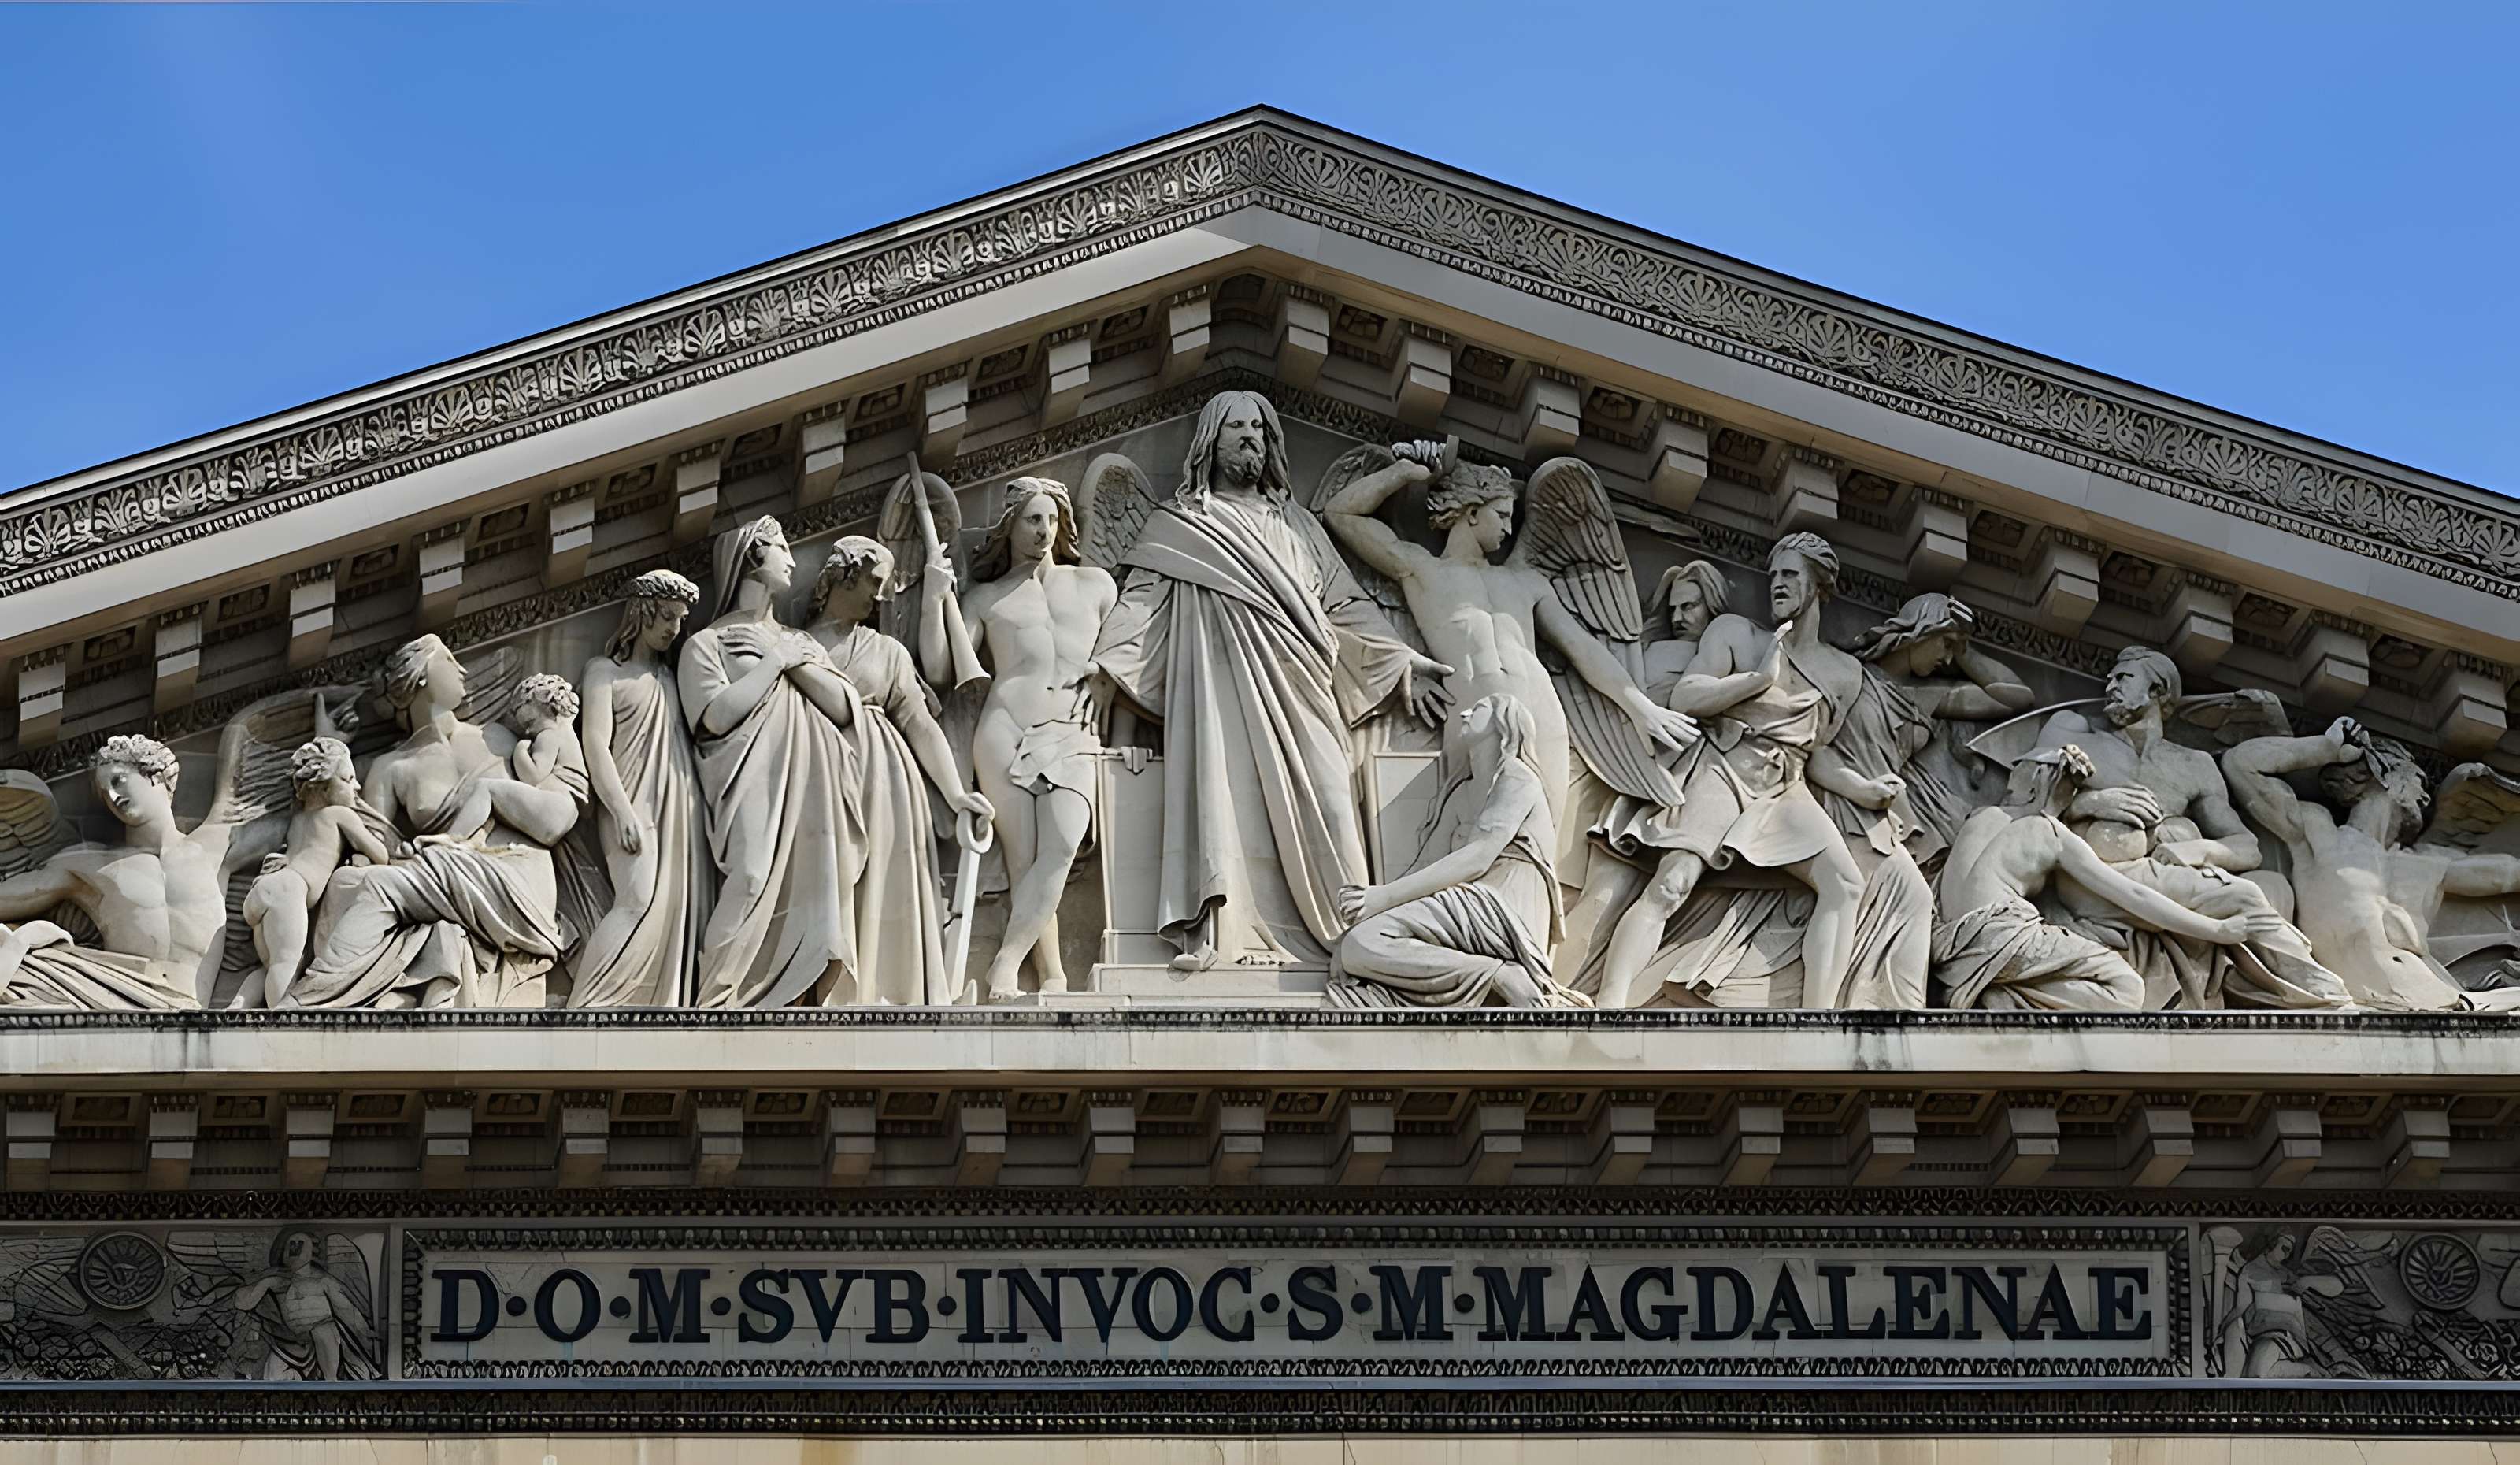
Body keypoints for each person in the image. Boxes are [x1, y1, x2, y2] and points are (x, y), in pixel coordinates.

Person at [1089, 390, 1449, 970]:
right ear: (1210, 442)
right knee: (1224, 808)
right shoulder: (1182, 526)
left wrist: (1403, 660)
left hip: (1305, 690)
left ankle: (1358, 944)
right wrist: (1105, 668)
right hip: (1219, 691)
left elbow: (1345, 605)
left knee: (1334, 808)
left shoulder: (1298, 525)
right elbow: (1141, 604)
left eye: (1258, 428)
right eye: (1236, 427)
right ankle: (1232, 937)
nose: (1249, 437)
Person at [1317, 448, 1695, 840]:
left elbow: (1582, 647)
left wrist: (1640, 708)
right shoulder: (1421, 569)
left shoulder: (1526, 580)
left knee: (1537, 846)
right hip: (1476, 716)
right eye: (1501, 515)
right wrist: (1404, 472)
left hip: (1543, 714)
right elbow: (1341, 514)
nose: (1509, 529)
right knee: (1484, 842)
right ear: (1471, 513)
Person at [1592, 533, 1881, 1009]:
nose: (1777, 584)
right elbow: (1687, 697)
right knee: (1671, 883)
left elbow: (1818, 753)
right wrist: (1758, 679)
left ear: (1819, 586)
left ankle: (1819, 1022)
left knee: (1846, 884)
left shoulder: (1846, 673)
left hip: (1784, 788)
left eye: (1790, 575)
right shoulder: (1737, 635)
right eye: (1773, 575)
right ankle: (1609, 1003)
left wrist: (1863, 789)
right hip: (1725, 770)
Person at [2025, 646, 2350, 1010]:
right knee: (2245, 897)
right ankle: (2330, 1001)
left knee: (2254, 890)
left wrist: (2198, 849)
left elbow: (2247, 847)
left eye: (2123, 678)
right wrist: (2091, 803)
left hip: (2151, 875)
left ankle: (2319, 1001)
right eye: (2110, 679)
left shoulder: (2193, 765)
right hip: (2086, 876)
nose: (2110, 687)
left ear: (2157, 690)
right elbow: (2026, 803)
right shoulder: (2078, 739)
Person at [291, 636, 575, 1009]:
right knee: (350, 881)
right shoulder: (390, 768)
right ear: (420, 676)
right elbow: (371, 847)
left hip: (518, 877)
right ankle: (352, 993)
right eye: (449, 660)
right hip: (449, 878)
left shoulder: (498, 737)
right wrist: (328, 751)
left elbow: (553, 802)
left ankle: (311, 999)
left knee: (379, 886)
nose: (462, 669)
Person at [932, 477, 1127, 1001]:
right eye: (1033, 519)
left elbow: (1132, 648)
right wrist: (934, 597)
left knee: (1061, 845)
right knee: (1025, 860)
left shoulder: (1096, 585)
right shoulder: (986, 597)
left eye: (1053, 520)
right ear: (1010, 526)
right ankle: (1054, 976)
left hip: (1074, 728)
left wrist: (1107, 675)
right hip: (1004, 730)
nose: (1045, 530)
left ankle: (1006, 960)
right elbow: (940, 666)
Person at [678, 516, 867, 1009]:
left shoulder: (800, 643)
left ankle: (805, 994)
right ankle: (715, 999)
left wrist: (788, 656)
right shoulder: (706, 644)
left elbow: (844, 707)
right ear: (751, 555)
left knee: (819, 885)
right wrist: (774, 662)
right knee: (750, 877)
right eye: (781, 547)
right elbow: (714, 716)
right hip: (748, 779)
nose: (793, 561)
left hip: (811, 785)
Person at [1935, 744, 2281, 1011]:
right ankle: (2004, 1000)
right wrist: (2217, 930)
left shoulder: (1980, 817)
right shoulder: (2049, 833)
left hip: (1950, 949)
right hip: (2003, 939)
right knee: (2127, 988)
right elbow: (2134, 895)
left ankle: (1998, 991)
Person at [806, 536, 995, 1005]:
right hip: (818, 786)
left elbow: (920, 723)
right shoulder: (797, 646)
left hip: (884, 785)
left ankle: (886, 990)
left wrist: (956, 793)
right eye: (874, 581)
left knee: (886, 889)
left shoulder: (886, 651)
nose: (880, 596)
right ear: (843, 573)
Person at [2224, 718, 2520, 1011]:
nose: (2425, 796)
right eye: (2417, 780)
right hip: (2368, 1005)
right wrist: (2325, 748)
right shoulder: (2321, 834)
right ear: (2385, 775)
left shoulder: (2418, 865)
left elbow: (2503, 875)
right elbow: (2241, 765)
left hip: (2440, 1000)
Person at [1329, 695, 1584, 1009]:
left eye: (1479, 708)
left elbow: (1478, 858)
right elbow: (1425, 865)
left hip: (1506, 907)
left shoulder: (1517, 778)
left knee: (1364, 942)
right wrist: (1369, 915)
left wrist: (1381, 898)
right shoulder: (1461, 791)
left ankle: (1502, 975)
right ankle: (1496, 974)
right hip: (1471, 901)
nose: (1465, 712)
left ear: (1503, 723)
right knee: (1359, 944)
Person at [572, 568, 710, 1008]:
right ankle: (583, 1007)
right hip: (630, 802)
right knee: (636, 899)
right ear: (641, 612)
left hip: (678, 807)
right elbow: (595, 744)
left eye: (681, 620)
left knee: (678, 907)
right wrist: (621, 811)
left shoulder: (673, 679)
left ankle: (662, 1004)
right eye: (667, 616)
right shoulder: (604, 673)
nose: (674, 629)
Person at [240, 736, 392, 1009]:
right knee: (286, 964)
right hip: (290, 891)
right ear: (323, 787)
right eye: (348, 779)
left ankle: (237, 1006)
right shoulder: (339, 814)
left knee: (274, 966)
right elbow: (381, 854)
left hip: (266, 888)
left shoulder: (298, 820)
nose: (357, 787)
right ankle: (281, 1023)